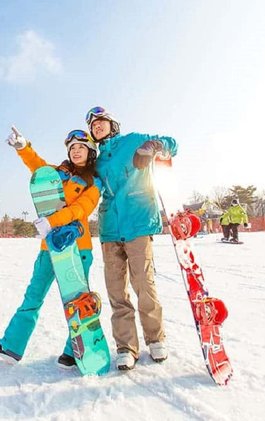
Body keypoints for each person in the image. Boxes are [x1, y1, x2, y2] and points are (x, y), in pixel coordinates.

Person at [0, 127, 103, 369]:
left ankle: (74, 352)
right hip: (49, 247)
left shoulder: (94, 182)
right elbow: (39, 169)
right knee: (33, 295)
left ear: (90, 151)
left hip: (76, 247)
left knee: (76, 301)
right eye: (72, 148)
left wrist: (52, 221)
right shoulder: (58, 174)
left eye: (81, 147)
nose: (76, 151)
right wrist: (23, 148)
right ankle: (12, 346)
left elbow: (81, 209)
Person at [85, 106, 177, 370]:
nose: (97, 126)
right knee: (116, 290)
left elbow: (172, 145)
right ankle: (126, 347)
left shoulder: (133, 140)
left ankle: (155, 339)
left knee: (143, 284)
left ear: (112, 124)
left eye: (101, 122)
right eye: (93, 125)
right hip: (110, 229)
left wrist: (153, 146)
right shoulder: (97, 162)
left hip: (137, 222)